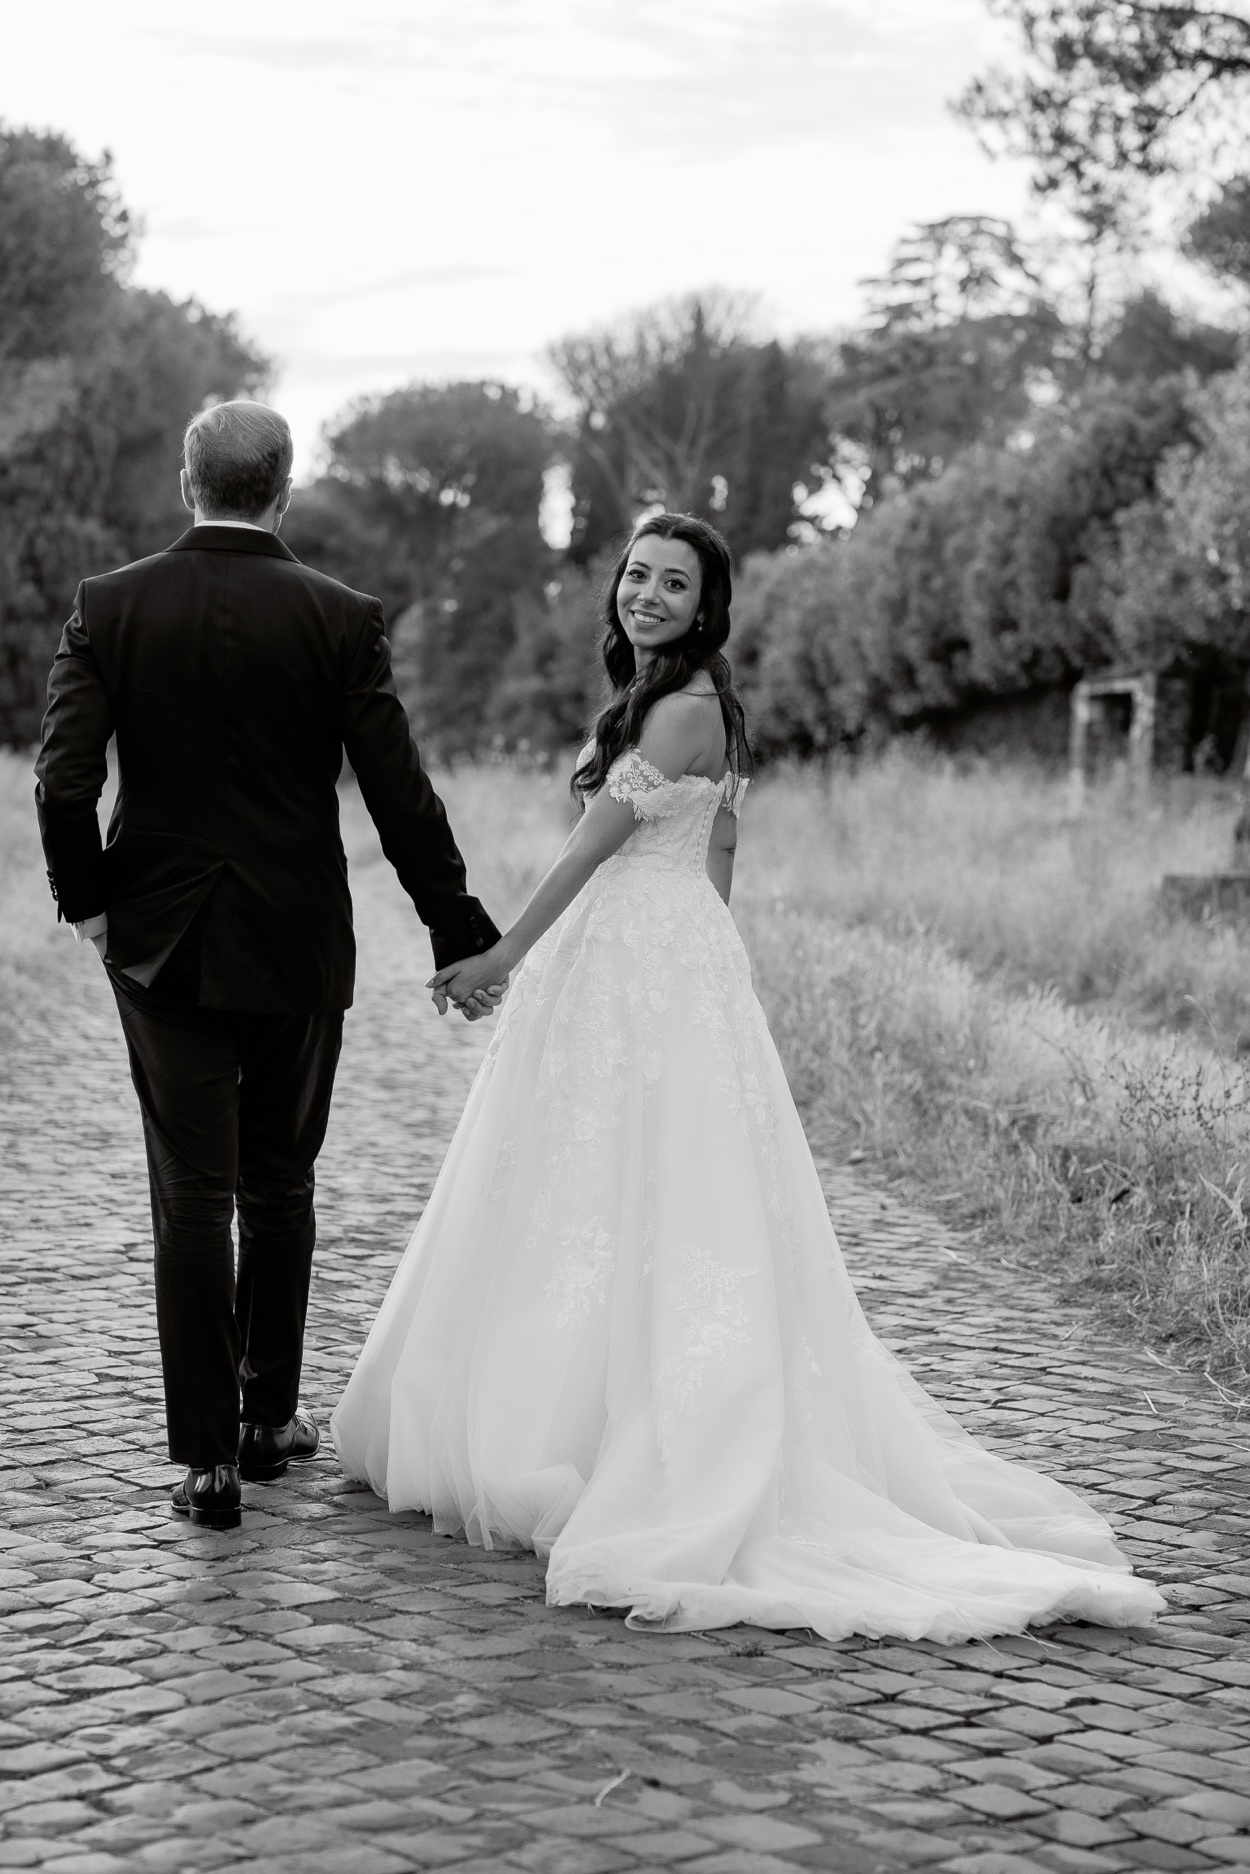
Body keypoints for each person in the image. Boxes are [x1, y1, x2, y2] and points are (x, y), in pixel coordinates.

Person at [331, 513, 1163, 1643]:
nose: (646, 594)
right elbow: (718, 857)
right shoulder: (687, 702)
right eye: (636, 575)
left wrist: (503, 955)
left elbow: (590, 848)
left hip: (638, 955)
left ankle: (607, 1435)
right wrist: (699, 973)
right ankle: (573, 1407)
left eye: (673, 584)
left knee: (634, 1189)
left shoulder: (680, 709)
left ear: (705, 606)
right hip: (659, 958)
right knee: (598, 1183)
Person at [35, 400, 502, 1532]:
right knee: (280, 1181)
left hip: (160, 944)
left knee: (191, 1193)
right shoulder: (341, 616)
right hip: (296, 940)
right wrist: (457, 929)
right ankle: (266, 1417)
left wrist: (90, 906)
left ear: (185, 481)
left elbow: (62, 779)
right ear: (284, 490)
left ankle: (207, 1463)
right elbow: (398, 791)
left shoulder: (110, 604)